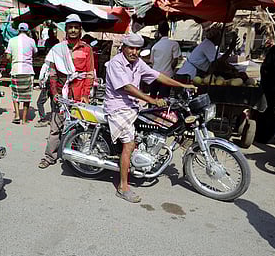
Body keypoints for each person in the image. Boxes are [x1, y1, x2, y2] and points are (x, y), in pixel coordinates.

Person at [104, 33, 196, 203]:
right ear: (123, 48)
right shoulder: (115, 64)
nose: (134, 52)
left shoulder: (137, 63)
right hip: (118, 108)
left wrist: (182, 85)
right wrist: (152, 100)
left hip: (133, 106)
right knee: (129, 143)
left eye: (137, 49)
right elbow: (127, 87)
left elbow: (158, 75)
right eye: (131, 48)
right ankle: (123, 187)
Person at [38, 14, 94, 169]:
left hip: (79, 95)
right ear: (66, 29)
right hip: (61, 95)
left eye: (76, 27)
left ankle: (77, 156)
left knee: (80, 127)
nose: (73, 30)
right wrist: (54, 93)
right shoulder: (58, 49)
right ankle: (50, 157)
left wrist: (85, 95)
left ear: (80, 29)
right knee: (55, 127)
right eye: (70, 27)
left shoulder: (87, 49)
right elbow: (53, 74)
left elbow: (90, 74)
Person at [5, 22, 38, 124]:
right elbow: (35, 53)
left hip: (15, 70)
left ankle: (17, 115)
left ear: (18, 30)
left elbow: (8, 56)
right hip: (27, 70)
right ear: (27, 31)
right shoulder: (31, 41)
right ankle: (24, 120)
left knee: (15, 94)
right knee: (26, 95)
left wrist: (14, 61)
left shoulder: (11, 40)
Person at [149, 21, 181, 97]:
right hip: (167, 76)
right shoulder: (174, 44)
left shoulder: (155, 46)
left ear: (159, 32)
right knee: (163, 98)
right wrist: (171, 69)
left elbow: (152, 62)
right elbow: (175, 61)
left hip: (155, 75)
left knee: (152, 97)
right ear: (169, 30)